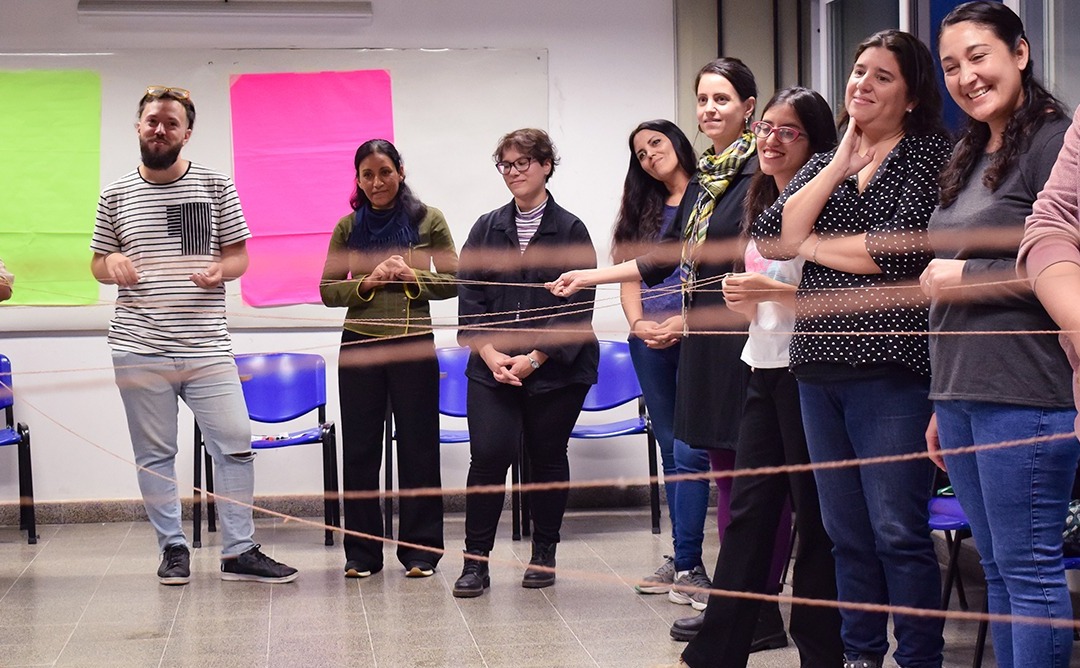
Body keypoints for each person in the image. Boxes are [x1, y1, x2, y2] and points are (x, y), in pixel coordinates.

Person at [548, 58, 784, 627]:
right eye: (702, 99)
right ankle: (740, 607)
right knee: (725, 475)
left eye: (722, 98)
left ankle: (754, 608)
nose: (709, 109)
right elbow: (662, 258)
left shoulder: (761, 170)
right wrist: (588, 277)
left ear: (749, 107)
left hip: (748, 340)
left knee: (756, 484)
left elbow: (772, 259)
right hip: (710, 343)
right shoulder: (709, 181)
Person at [752, 31, 951, 668]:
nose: (861, 84)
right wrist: (837, 165)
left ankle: (918, 656)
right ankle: (860, 655)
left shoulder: (929, 155)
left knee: (898, 531)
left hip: (893, 369)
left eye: (882, 76)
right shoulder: (823, 163)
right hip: (817, 367)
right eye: (858, 71)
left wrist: (809, 243)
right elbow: (772, 238)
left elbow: (893, 251)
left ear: (913, 94)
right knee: (844, 533)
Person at [90, 86, 297, 585]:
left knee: (235, 440)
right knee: (156, 454)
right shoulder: (115, 193)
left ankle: (238, 551)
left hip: (206, 344)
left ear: (187, 133)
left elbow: (239, 255)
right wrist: (110, 262)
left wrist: (221, 271)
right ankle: (173, 549)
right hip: (138, 344)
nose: (160, 129)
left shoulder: (214, 184)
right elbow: (97, 263)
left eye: (171, 123)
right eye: (152, 121)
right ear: (138, 127)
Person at [676, 86, 843, 668]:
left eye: (787, 131)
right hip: (761, 364)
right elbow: (761, 304)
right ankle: (718, 649)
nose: (770, 140)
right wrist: (746, 301)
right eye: (766, 129)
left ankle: (821, 649)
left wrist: (771, 292)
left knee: (813, 518)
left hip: (806, 371)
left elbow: (839, 301)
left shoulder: (828, 198)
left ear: (816, 142)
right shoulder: (760, 196)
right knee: (749, 512)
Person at [452, 128, 598, 598]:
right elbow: (469, 299)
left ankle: (544, 554)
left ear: (546, 166)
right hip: (492, 366)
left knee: (546, 457)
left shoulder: (571, 229)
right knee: (489, 456)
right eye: (506, 165)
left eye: (523, 163)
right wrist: (493, 355)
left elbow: (578, 307)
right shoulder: (485, 227)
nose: (513, 173)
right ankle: (476, 563)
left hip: (554, 368)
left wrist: (535, 357)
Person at [319, 138, 458, 579]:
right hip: (359, 345)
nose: (377, 182)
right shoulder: (347, 227)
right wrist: (368, 282)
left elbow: (457, 279)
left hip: (413, 343)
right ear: (358, 179)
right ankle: (361, 555)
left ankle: (421, 554)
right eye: (367, 174)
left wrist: (411, 275)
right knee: (359, 451)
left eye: (384, 171)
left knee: (419, 448)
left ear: (400, 170)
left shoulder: (428, 220)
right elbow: (326, 290)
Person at [610, 120, 713, 598]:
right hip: (648, 340)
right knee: (671, 451)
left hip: (698, 337)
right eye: (641, 152)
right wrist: (637, 325)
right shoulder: (639, 209)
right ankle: (683, 558)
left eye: (656, 143)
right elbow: (629, 275)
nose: (650, 155)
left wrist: (682, 325)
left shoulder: (708, 193)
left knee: (692, 451)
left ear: (677, 142)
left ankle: (690, 563)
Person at [1018, 101, 1080, 668]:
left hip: (1027, 388)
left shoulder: (1047, 135)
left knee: (1027, 570)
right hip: (973, 385)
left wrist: (963, 275)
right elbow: (1053, 225)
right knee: (1007, 567)